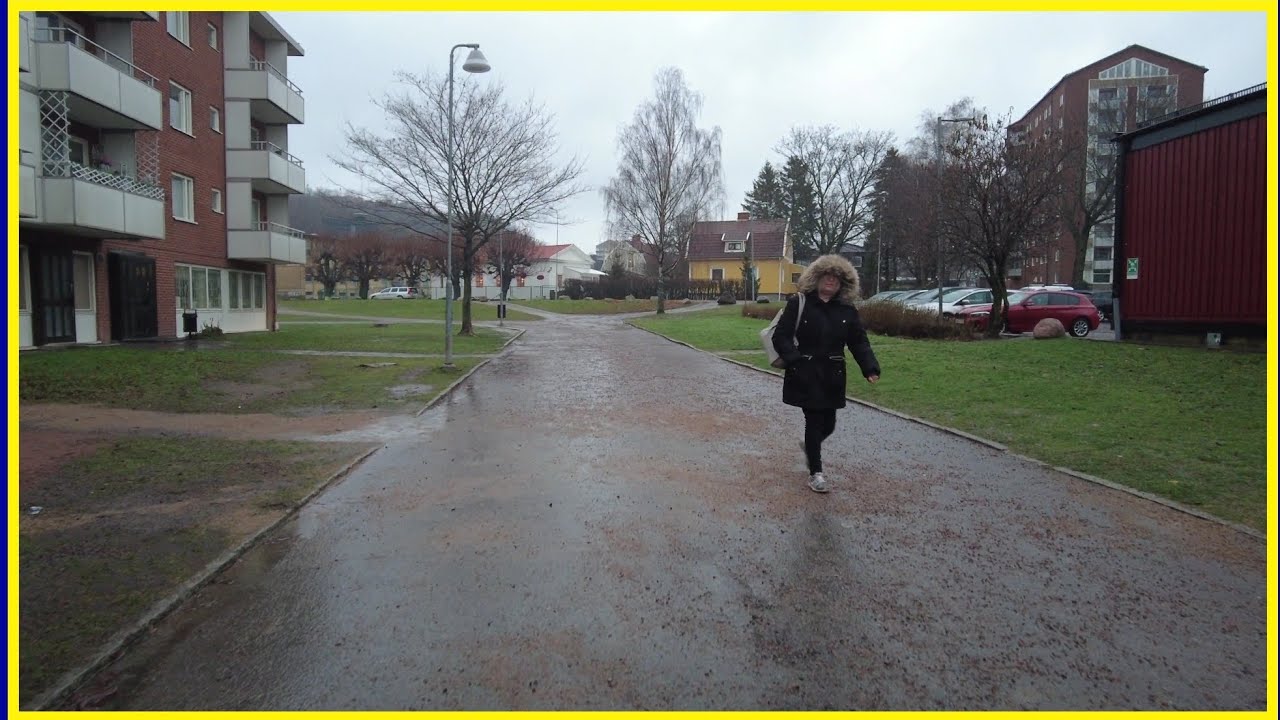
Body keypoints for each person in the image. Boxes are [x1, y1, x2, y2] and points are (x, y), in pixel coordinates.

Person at [771, 254, 880, 493]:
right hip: (805, 372)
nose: (831, 281)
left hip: (833, 375)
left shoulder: (847, 311)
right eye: (827, 277)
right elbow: (781, 336)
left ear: (843, 284)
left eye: (836, 278)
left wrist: (869, 368)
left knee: (829, 424)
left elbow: (859, 342)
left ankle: (811, 447)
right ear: (816, 278)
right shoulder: (799, 303)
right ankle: (816, 473)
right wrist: (794, 360)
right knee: (814, 420)